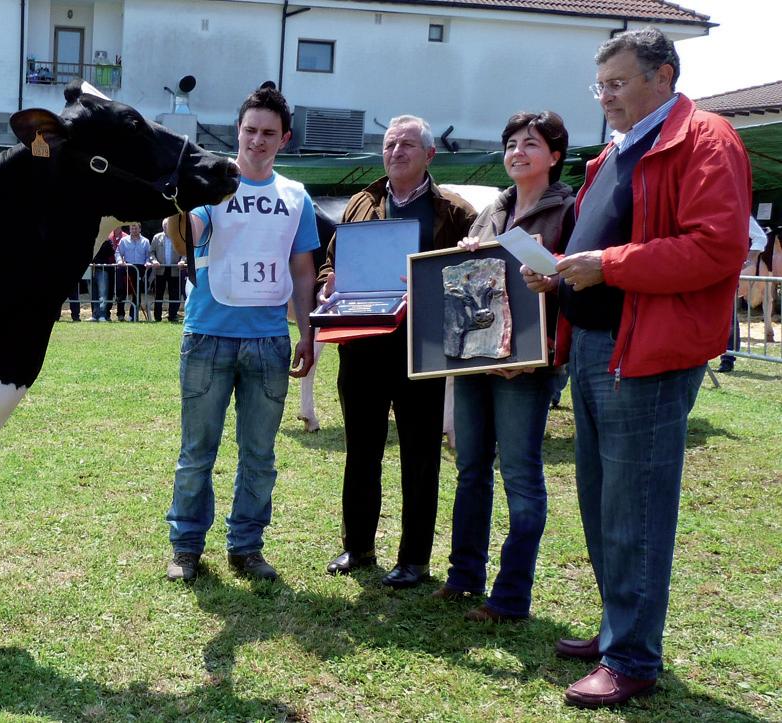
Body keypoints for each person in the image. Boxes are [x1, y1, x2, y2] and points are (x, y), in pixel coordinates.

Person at [521, 27, 751, 707]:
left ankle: (632, 658)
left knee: (637, 511)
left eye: (618, 83)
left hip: (648, 353)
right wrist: (560, 275)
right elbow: (599, 246)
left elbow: (716, 247)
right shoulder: (616, 152)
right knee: (601, 503)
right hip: (597, 346)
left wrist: (608, 265)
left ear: (663, 76)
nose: (605, 97)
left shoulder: (706, 140)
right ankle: (616, 630)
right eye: (600, 86)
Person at [163, 85, 319, 582]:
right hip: (208, 334)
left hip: (269, 341)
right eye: (250, 130)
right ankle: (186, 547)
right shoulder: (213, 185)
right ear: (238, 131)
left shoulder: (295, 196)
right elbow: (184, 237)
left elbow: (302, 272)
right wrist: (177, 198)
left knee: (260, 455)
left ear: (284, 139)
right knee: (197, 452)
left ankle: (247, 546)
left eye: (268, 133)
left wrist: (307, 333)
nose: (257, 140)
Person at [317, 115, 477, 588]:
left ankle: (414, 559)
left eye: (407, 144)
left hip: (422, 348)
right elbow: (333, 260)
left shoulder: (456, 211)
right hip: (363, 346)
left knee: (420, 456)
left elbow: (473, 271)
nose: (396, 152)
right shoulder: (362, 202)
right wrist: (329, 283)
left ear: (430, 154)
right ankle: (358, 546)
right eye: (389, 145)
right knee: (360, 450)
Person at [434, 111, 574, 622]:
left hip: (527, 369)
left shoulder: (570, 211)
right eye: (512, 143)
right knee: (470, 468)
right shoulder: (492, 209)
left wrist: (551, 280)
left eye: (530, 144)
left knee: (520, 475)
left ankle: (511, 596)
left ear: (554, 156)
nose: (518, 152)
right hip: (476, 359)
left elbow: (576, 281)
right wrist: (466, 253)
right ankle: (464, 575)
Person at [717, 216, 769, 372]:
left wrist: (749, 260)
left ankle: (728, 358)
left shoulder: (737, 212)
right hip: (707, 269)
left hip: (727, 271)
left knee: (729, 315)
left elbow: (760, 238)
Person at [116, 223, 153, 321]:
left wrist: (148, 262)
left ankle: (133, 316)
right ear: (129, 229)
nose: (134, 230)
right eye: (132, 228)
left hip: (139, 268)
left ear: (140, 229)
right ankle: (120, 314)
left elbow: (148, 255)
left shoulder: (145, 241)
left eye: (136, 228)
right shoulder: (124, 240)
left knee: (137, 292)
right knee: (121, 290)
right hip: (127, 266)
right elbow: (118, 253)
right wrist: (119, 261)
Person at [150, 229, 186, 322]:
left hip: (175, 269)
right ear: (163, 228)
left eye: (168, 226)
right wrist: (154, 260)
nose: (167, 228)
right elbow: (151, 252)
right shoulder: (157, 237)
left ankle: (173, 316)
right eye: (165, 227)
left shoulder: (178, 237)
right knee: (158, 294)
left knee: (174, 294)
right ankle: (157, 317)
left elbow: (184, 252)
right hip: (160, 269)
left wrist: (182, 261)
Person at [89, 229, 119, 322]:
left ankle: (102, 314)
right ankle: (95, 315)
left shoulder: (107, 241)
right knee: (93, 293)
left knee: (103, 293)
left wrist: (105, 241)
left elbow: (111, 252)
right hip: (91, 270)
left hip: (102, 269)